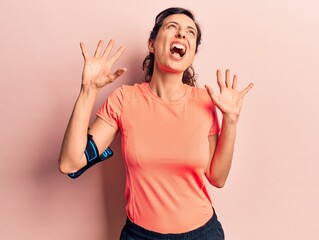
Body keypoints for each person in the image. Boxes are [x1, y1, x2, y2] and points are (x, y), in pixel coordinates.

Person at [59, 7, 253, 240]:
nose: (182, 34)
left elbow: (217, 177)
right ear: (152, 44)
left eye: (190, 32)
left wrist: (231, 120)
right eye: (172, 27)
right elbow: (70, 163)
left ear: (192, 54)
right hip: (140, 235)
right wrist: (87, 91)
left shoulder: (205, 102)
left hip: (203, 234)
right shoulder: (124, 99)